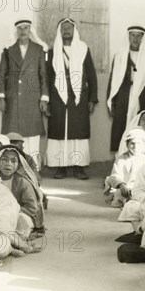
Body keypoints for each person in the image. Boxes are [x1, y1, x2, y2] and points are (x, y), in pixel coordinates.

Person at [45, 18, 98, 180]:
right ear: (59, 31)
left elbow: (91, 74)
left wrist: (91, 99)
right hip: (57, 98)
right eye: (63, 28)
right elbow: (47, 77)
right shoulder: (52, 52)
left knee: (78, 132)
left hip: (79, 97)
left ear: (74, 30)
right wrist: (46, 100)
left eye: (69, 28)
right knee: (59, 131)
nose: (66, 30)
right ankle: (61, 167)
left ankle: (78, 168)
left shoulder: (83, 49)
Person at [0, 19, 49, 164]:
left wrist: (44, 98)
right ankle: (13, 164)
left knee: (32, 133)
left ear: (30, 31)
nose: (23, 31)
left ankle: (33, 167)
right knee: (13, 133)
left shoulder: (38, 50)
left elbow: (43, 75)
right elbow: (2, 74)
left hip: (32, 98)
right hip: (13, 98)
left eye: (26, 28)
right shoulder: (8, 51)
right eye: (20, 29)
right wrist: (1, 96)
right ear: (16, 32)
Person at [107, 25, 145, 152]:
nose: (135, 39)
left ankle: (140, 157)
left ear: (142, 38)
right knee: (122, 125)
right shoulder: (119, 57)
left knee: (141, 126)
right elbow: (113, 82)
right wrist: (113, 102)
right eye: (132, 35)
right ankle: (122, 158)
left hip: (143, 97)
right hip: (124, 97)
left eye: (138, 36)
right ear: (128, 37)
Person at [0, 145, 45, 239]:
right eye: (4, 160)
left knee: (22, 224)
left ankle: (12, 239)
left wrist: (11, 214)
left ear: (19, 164)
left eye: (13, 161)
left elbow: (31, 208)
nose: (8, 164)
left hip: (19, 215)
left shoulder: (23, 182)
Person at [104, 127, 145, 208]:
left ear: (144, 144)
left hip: (142, 187)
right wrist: (122, 184)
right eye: (132, 143)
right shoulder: (122, 158)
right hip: (127, 188)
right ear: (127, 144)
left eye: (138, 143)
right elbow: (115, 176)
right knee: (119, 195)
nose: (135, 146)